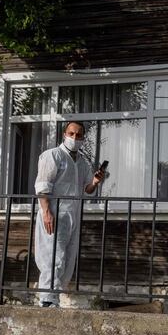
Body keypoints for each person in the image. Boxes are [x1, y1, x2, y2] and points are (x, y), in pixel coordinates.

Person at [34, 121, 105, 307]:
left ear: (83, 138)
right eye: (71, 133)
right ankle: (47, 300)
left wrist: (96, 181)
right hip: (54, 213)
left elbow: (87, 188)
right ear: (64, 134)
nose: (74, 138)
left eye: (79, 135)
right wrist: (46, 212)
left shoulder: (81, 162)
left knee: (67, 259)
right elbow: (43, 185)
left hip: (72, 215)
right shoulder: (53, 156)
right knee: (52, 256)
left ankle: (55, 297)